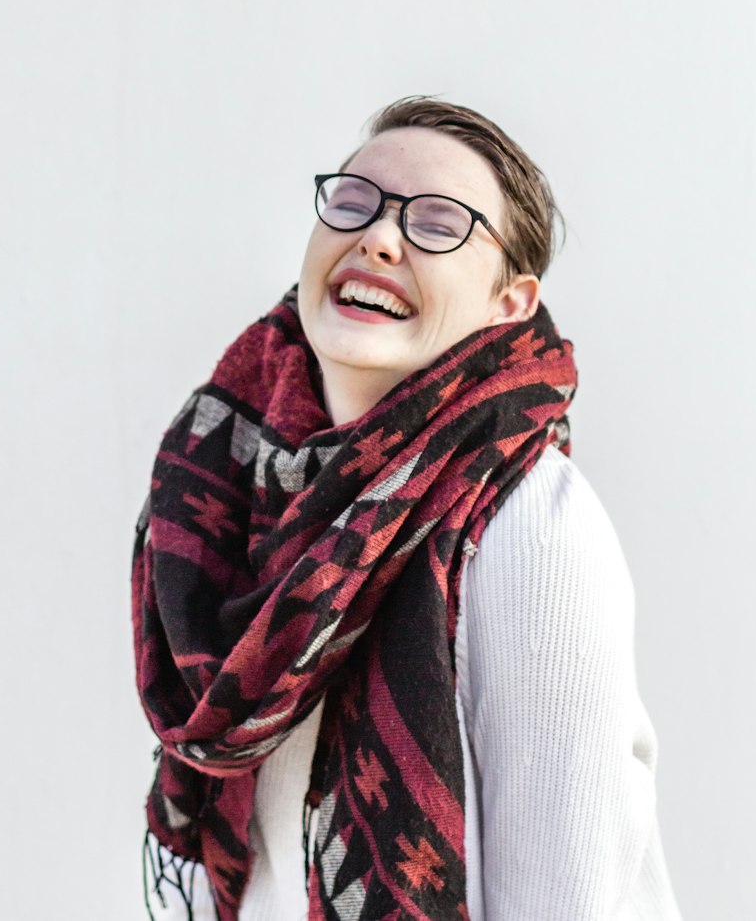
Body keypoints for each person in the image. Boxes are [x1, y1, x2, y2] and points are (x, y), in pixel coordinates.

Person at [132, 96, 683, 921]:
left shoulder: (530, 524)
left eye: (439, 222)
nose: (380, 237)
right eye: (355, 202)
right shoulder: (230, 484)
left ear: (509, 304)